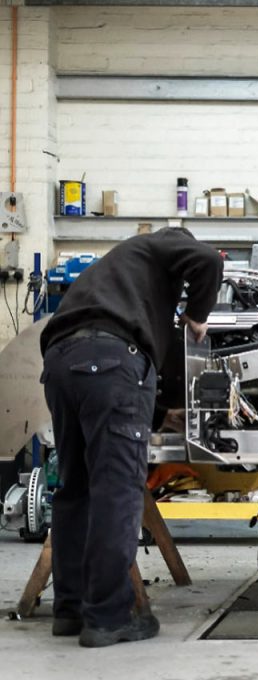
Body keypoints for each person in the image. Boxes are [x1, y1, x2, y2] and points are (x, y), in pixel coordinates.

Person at [39, 227, 223, 647]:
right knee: (117, 490)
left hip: (60, 364)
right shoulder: (162, 243)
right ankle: (107, 618)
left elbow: (100, 366)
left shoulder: (119, 273)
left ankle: (69, 610)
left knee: (75, 490)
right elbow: (209, 260)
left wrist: (158, 414)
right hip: (110, 360)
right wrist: (198, 315)